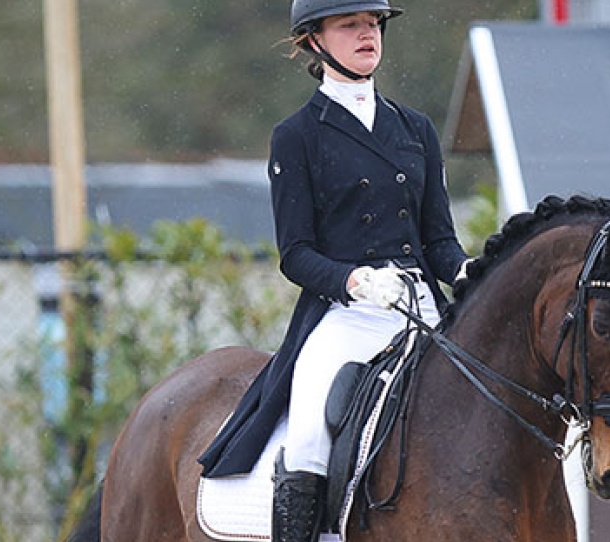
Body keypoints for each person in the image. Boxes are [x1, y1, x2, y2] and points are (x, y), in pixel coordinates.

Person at [197, 1, 469, 540]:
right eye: (350, 25)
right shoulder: (297, 136)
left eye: (373, 24)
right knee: (307, 437)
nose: (367, 34)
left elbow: (439, 240)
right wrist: (356, 281)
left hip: (421, 310)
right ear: (315, 41)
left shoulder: (415, 129)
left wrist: (467, 275)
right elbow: (295, 254)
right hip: (348, 315)